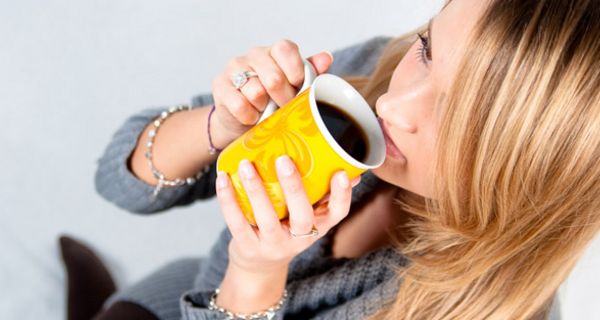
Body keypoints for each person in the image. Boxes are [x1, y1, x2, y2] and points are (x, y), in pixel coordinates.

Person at [66, 0, 600, 318]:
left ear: (533, 172)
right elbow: (116, 182)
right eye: (429, 49)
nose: (392, 102)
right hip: (171, 298)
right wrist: (222, 126)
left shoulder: (495, 309)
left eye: (460, 111)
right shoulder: (375, 69)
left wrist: (257, 273)